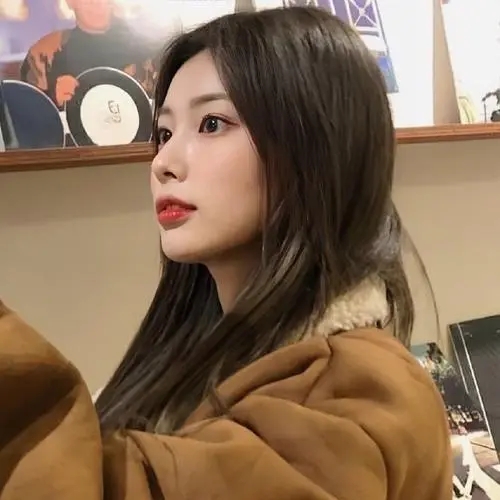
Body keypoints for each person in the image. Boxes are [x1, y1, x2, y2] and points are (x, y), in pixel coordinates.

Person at [0, 6, 452, 499]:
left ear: (316, 146)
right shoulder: (198, 357)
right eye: (165, 133)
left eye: (212, 124)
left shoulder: (357, 393)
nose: (164, 162)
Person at [19, 0, 156, 109]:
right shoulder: (44, 53)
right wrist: (53, 99)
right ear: (70, 2)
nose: (97, 3)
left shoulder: (146, 48)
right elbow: (25, 114)